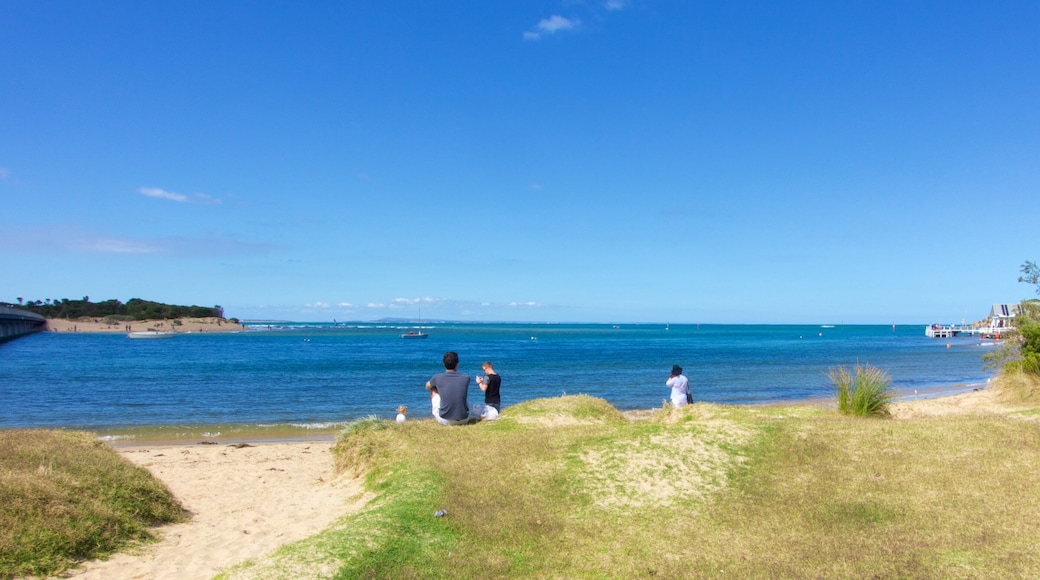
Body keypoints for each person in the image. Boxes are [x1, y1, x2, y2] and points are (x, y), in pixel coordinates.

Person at [426, 351, 471, 425]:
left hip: (445, 420)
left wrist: (437, 386)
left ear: (444, 364)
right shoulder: (466, 378)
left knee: (433, 389)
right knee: (459, 393)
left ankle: (435, 416)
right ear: (457, 364)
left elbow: (427, 386)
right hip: (464, 419)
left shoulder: (437, 377)